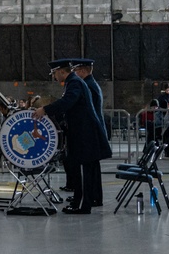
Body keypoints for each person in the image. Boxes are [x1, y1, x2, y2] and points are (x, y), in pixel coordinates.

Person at [33, 59, 112, 214]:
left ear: (62, 71)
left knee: (83, 171)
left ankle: (82, 205)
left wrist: (45, 110)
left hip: (85, 135)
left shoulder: (75, 83)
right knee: (84, 170)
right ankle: (80, 201)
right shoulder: (74, 82)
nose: (54, 77)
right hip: (83, 133)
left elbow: (68, 102)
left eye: (55, 73)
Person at [71, 58, 109, 205]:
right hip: (94, 130)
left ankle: (91, 197)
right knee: (92, 168)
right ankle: (94, 196)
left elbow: (85, 110)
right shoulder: (91, 84)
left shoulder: (88, 86)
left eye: (76, 71)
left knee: (89, 168)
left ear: (83, 71)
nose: (74, 73)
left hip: (91, 131)